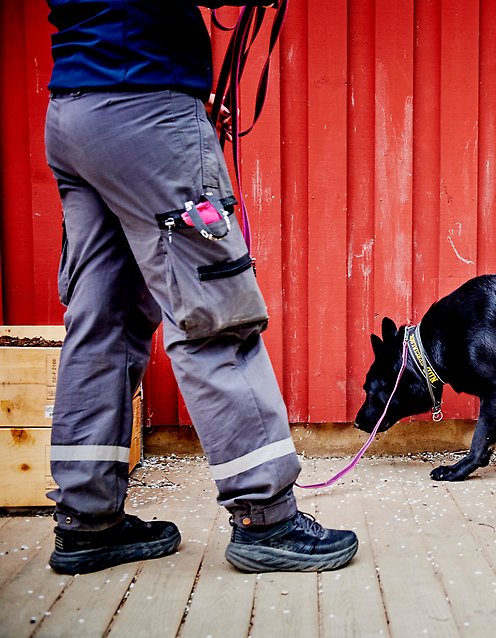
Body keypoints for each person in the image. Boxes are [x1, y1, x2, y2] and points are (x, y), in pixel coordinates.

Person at [43, 0, 357, 574]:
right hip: (144, 104)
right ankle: (269, 520)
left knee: (102, 319)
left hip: (75, 111)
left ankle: (88, 523)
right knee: (216, 312)